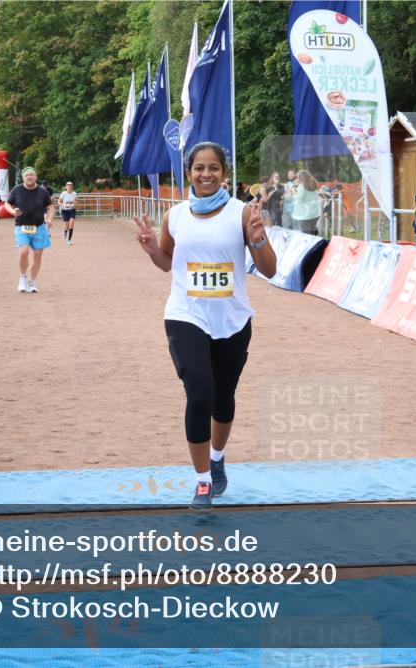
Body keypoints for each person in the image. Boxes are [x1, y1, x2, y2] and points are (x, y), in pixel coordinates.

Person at [135, 142, 276, 510]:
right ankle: (202, 481)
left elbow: (270, 268)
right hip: (186, 314)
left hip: (232, 319)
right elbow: (166, 262)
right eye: (199, 168)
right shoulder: (175, 216)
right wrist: (152, 249)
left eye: (214, 168)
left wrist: (259, 240)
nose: (206, 174)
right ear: (189, 173)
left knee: (223, 397)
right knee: (199, 393)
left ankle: (216, 458)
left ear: (224, 173)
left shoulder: (242, 213)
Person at [7, 166, 54, 293]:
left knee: (38, 255)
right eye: (27, 175)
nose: (29, 177)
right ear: (23, 178)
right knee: (24, 252)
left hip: (39, 227)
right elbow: (7, 203)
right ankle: (22, 277)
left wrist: (49, 219)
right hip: (22, 226)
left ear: (36, 177)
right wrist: (12, 211)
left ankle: (32, 282)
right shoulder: (17, 190)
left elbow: (50, 207)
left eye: (31, 175)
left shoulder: (43, 192)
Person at [288, 169, 320, 235]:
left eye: (298, 177)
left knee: (306, 235)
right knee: (313, 235)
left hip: (305, 215)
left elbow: (298, 199)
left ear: (301, 178)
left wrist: (294, 192)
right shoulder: (313, 185)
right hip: (315, 214)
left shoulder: (302, 186)